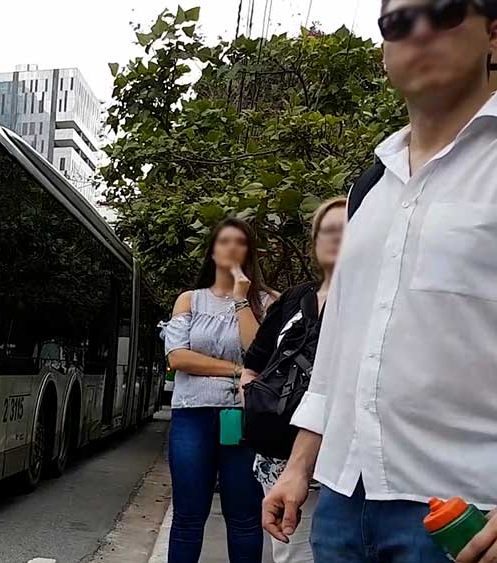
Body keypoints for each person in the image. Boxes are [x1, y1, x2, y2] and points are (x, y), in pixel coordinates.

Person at [262, 1, 497, 562]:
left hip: (465, 515)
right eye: (398, 22)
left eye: (443, 12)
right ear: (385, 53)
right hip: (342, 505)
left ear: (493, 33)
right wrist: (299, 468)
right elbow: (340, 350)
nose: (419, 32)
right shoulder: (369, 190)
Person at [238, 197, 346, 563]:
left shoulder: (373, 301)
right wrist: (255, 403)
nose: (336, 237)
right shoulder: (296, 298)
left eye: (346, 229)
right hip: (279, 459)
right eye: (327, 230)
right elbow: (253, 363)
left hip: (340, 465)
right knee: (291, 554)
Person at [163, 217, 274, 563]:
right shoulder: (190, 300)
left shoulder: (266, 302)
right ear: (212, 251)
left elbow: (262, 352)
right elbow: (177, 356)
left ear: (250, 252)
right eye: (224, 241)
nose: (232, 248)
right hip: (191, 416)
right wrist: (238, 369)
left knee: (243, 516)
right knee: (188, 515)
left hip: (241, 419)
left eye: (240, 242)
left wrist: (243, 299)